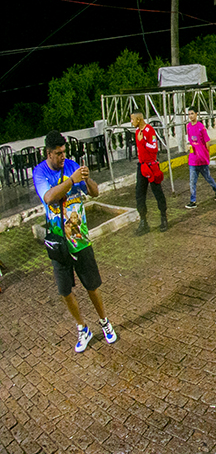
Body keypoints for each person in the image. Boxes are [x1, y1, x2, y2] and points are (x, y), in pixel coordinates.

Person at [34, 130, 117, 352]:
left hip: (79, 238)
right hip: (58, 242)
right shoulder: (40, 172)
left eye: (64, 152)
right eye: (59, 153)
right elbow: (49, 197)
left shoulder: (72, 165)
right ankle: (82, 327)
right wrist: (72, 180)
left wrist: (87, 178)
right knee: (65, 290)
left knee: (92, 285)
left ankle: (104, 321)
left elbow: (96, 193)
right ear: (49, 153)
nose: (63, 157)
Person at [131, 110, 168, 234]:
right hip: (142, 166)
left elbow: (154, 148)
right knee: (139, 194)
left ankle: (163, 217)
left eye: (133, 119)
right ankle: (143, 221)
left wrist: (143, 141)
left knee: (157, 192)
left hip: (151, 166)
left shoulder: (149, 131)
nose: (131, 122)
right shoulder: (137, 132)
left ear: (139, 119)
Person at [185, 108, 216, 209]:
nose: (191, 116)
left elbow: (207, 142)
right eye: (189, 114)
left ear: (196, 114)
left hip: (201, 159)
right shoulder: (188, 126)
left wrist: (205, 154)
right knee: (192, 181)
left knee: (207, 177)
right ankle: (193, 201)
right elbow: (189, 140)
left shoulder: (201, 127)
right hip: (193, 159)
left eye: (192, 114)